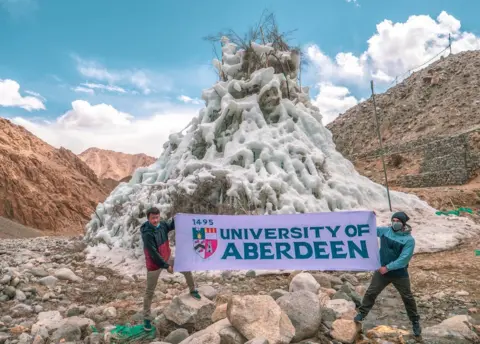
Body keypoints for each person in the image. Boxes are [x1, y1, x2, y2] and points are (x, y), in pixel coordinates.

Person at [354, 211, 421, 338]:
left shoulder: (409, 240)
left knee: (407, 297)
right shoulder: (385, 231)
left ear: (403, 223)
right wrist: (369, 218)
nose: (395, 223)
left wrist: (388, 267)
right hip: (382, 272)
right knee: (371, 292)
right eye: (393, 220)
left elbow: (404, 259)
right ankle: (362, 314)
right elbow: (369, 230)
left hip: (399, 273)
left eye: (398, 221)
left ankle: (415, 322)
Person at [141, 207, 201, 331]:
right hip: (154, 264)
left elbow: (171, 226)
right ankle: (146, 318)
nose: (156, 220)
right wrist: (166, 266)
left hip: (167, 257)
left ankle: (193, 289)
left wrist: (176, 219)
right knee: (149, 291)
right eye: (153, 218)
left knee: (186, 267)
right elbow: (153, 253)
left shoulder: (162, 225)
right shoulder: (147, 233)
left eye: (157, 217)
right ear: (148, 218)